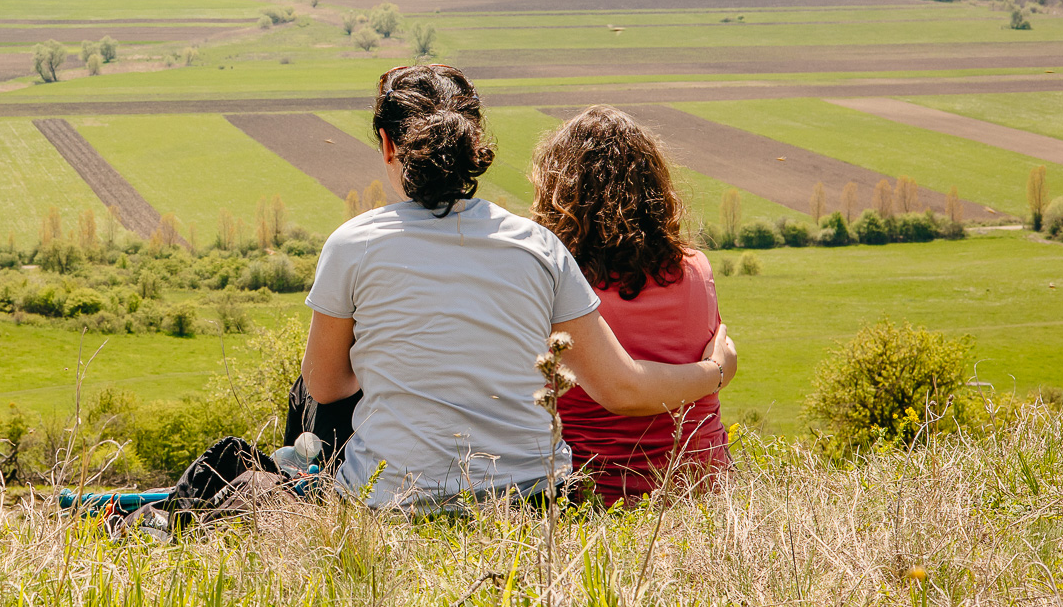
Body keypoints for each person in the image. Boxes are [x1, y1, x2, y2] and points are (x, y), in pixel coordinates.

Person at [300, 65, 736, 507]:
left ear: (389, 143)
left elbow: (324, 386)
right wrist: (716, 371)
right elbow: (619, 386)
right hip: (530, 501)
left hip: (392, 503)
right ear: (473, 141)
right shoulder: (538, 246)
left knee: (314, 385)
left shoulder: (353, 244)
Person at [531, 105, 731, 503]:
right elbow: (718, 351)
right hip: (705, 493)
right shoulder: (697, 269)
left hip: (597, 499)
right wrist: (717, 371)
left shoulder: (553, 285)